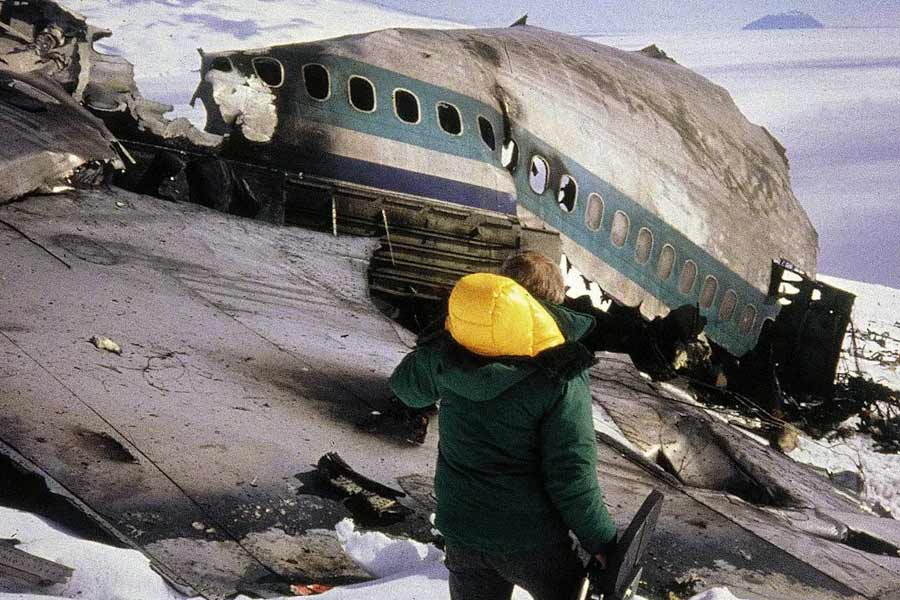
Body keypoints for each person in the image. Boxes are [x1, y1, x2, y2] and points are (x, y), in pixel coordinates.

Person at [389, 251, 617, 600]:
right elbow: (571, 473)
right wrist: (601, 540)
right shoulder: (559, 371)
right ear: (554, 299)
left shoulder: (456, 349)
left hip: (463, 532)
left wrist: (440, 339)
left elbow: (406, 389)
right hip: (531, 540)